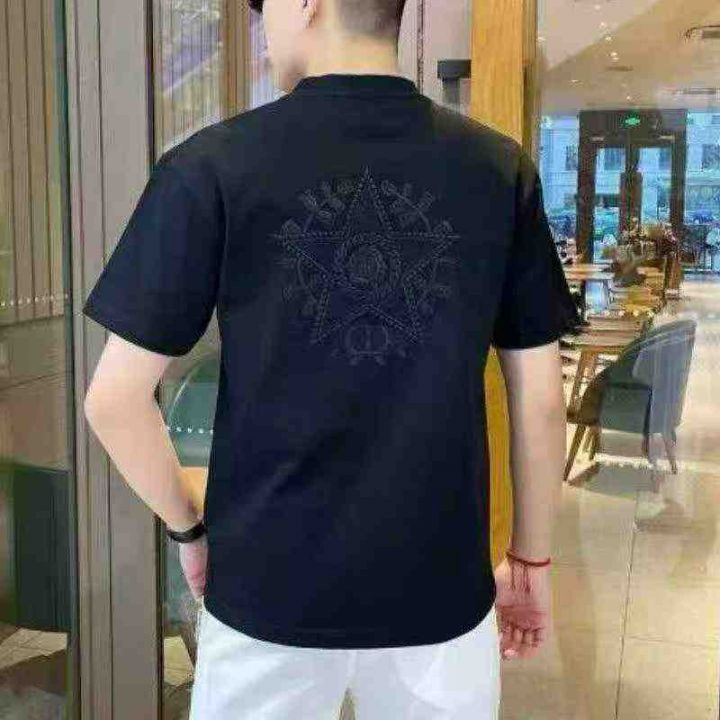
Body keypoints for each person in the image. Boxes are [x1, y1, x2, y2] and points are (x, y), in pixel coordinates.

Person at [82, 0, 575, 717]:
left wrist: (190, 528)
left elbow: (113, 401)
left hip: (265, 592)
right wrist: (530, 560)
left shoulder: (208, 167)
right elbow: (540, 400)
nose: (264, 29)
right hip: (438, 592)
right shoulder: (499, 169)